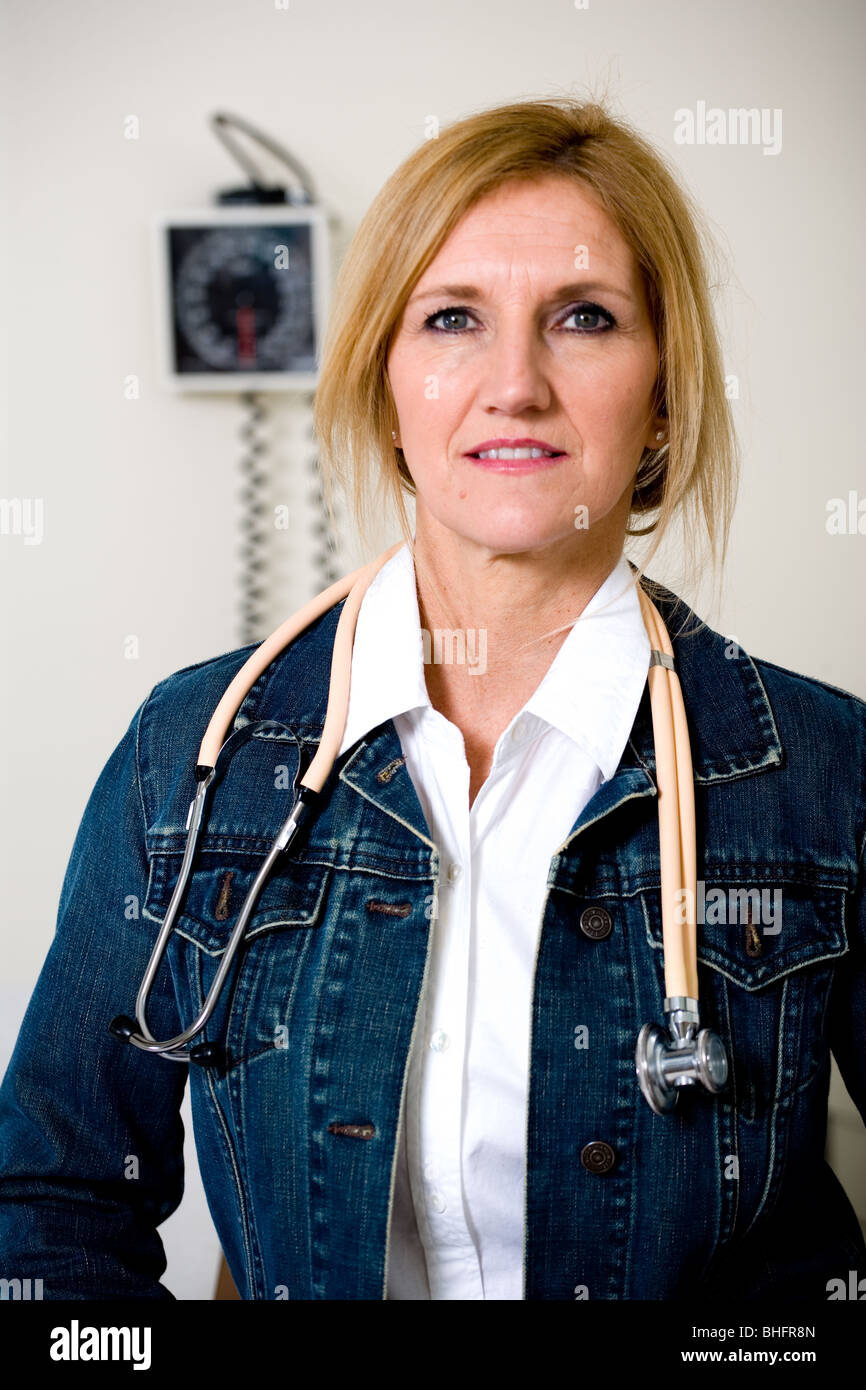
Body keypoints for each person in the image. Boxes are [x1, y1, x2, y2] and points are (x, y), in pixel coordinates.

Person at [1, 94, 864, 1302]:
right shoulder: (188, 756)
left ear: (662, 391)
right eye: (452, 318)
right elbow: (53, 1203)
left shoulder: (823, 772)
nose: (512, 383)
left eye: (582, 318)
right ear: (385, 379)